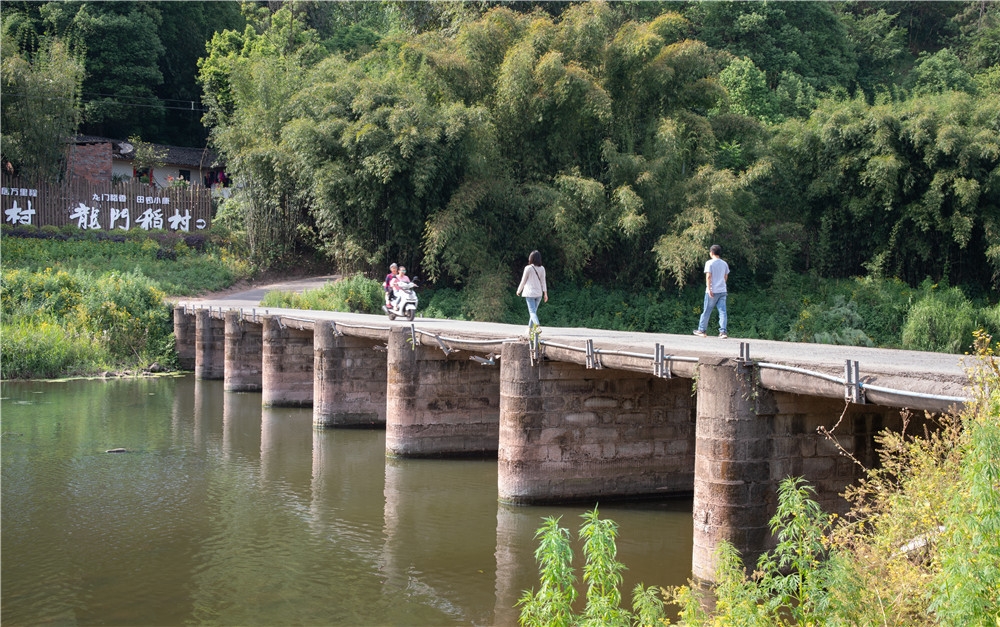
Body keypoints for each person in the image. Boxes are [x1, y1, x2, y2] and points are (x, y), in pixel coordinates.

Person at [694, 244, 729, 339]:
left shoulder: (709, 263)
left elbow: (708, 276)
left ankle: (702, 330)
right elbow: (725, 277)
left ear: (712, 252)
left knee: (707, 311)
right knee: (722, 312)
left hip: (712, 291)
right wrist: (721, 284)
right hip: (722, 290)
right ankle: (723, 332)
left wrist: (709, 289)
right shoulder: (724, 263)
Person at [515, 250, 548, 335]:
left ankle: (537, 326)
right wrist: (545, 294)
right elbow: (543, 282)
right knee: (533, 312)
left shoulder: (528, 268)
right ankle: (529, 329)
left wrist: (519, 290)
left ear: (531, 258)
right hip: (539, 294)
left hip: (529, 293)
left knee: (532, 312)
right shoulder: (542, 268)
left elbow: (523, 281)